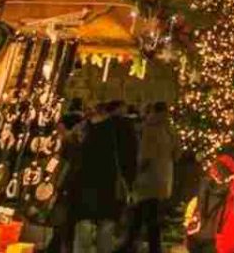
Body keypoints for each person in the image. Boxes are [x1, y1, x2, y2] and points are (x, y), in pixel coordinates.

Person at [69, 101, 138, 253]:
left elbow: (73, 154)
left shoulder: (86, 127)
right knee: (106, 229)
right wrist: (130, 183)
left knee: (84, 228)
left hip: (85, 184)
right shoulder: (123, 128)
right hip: (109, 185)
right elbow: (130, 159)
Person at [133, 102, 174, 253]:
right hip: (161, 177)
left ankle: (135, 244)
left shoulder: (149, 128)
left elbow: (145, 155)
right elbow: (177, 152)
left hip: (149, 177)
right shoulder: (167, 129)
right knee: (151, 213)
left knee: (144, 212)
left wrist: (137, 172)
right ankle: (150, 246)